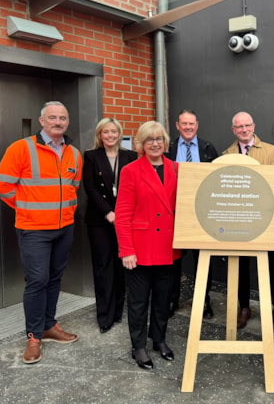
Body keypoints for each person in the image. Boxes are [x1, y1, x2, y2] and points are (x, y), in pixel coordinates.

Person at [0, 101, 81, 365]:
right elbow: (2, 185)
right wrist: (27, 209)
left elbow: (73, 186)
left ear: (67, 122)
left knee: (54, 278)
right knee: (37, 281)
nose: (58, 122)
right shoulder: (21, 148)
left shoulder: (74, 153)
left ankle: (49, 325)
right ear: (41, 121)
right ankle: (33, 336)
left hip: (64, 228)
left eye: (63, 118)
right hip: (33, 230)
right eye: (52, 117)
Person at [115, 121, 180, 370]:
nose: (155, 143)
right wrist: (127, 250)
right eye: (149, 139)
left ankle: (159, 339)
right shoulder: (131, 170)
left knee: (164, 300)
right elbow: (122, 214)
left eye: (159, 139)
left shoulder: (175, 168)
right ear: (141, 144)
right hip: (140, 248)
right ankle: (138, 346)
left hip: (168, 245)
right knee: (139, 302)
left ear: (165, 142)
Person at [223, 111, 274, 332]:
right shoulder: (227, 154)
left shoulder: (270, 151)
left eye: (247, 125)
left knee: (272, 266)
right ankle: (244, 308)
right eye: (239, 127)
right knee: (240, 265)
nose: (243, 129)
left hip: (266, 218)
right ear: (234, 130)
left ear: (253, 126)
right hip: (239, 221)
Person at [83, 118, 137, 334]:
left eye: (114, 132)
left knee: (121, 266)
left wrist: (121, 215)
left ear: (119, 134)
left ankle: (117, 312)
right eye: (106, 132)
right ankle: (104, 316)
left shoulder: (130, 156)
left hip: (125, 220)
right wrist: (108, 212)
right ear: (100, 135)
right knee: (103, 267)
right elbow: (90, 188)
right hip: (100, 220)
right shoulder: (91, 156)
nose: (110, 136)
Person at [165, 109, 219, 319]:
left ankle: (204, 301)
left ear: (197, 125)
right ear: (177, 126)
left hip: (201, 212)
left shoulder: (207, 148)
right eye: (184, 124)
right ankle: (172, 300)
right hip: (174, 211)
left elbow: (216, 179)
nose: (188, 127)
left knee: (203, 259)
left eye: (192, 124)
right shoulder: (168, 148)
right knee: (173, 259)